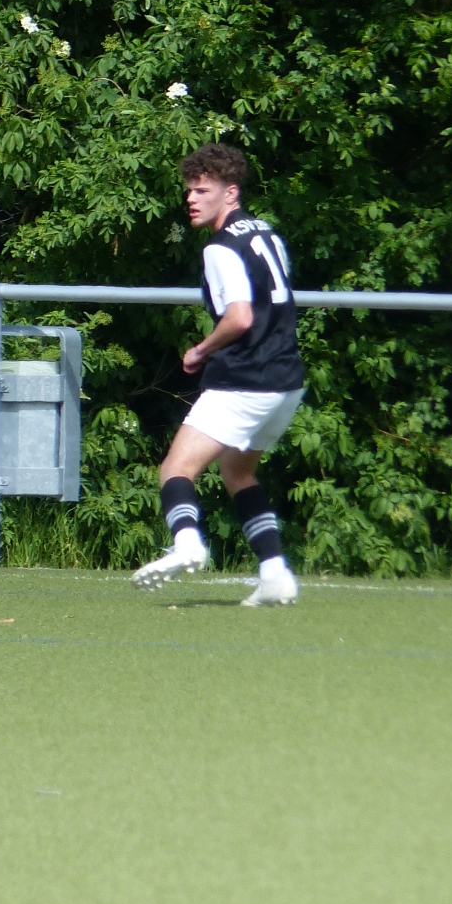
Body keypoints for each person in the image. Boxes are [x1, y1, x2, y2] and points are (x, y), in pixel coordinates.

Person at [133, 143, 303, 607]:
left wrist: (202, 348)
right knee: (237, 471)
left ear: (231, 193)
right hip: (287, 379)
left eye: (202, 191)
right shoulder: (264, 232)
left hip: (247, 378)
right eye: (189, 190)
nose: (191, 199)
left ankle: (187, 543)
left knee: (176, 468)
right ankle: (275, 574)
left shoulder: (220, 246)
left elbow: (241, 317)